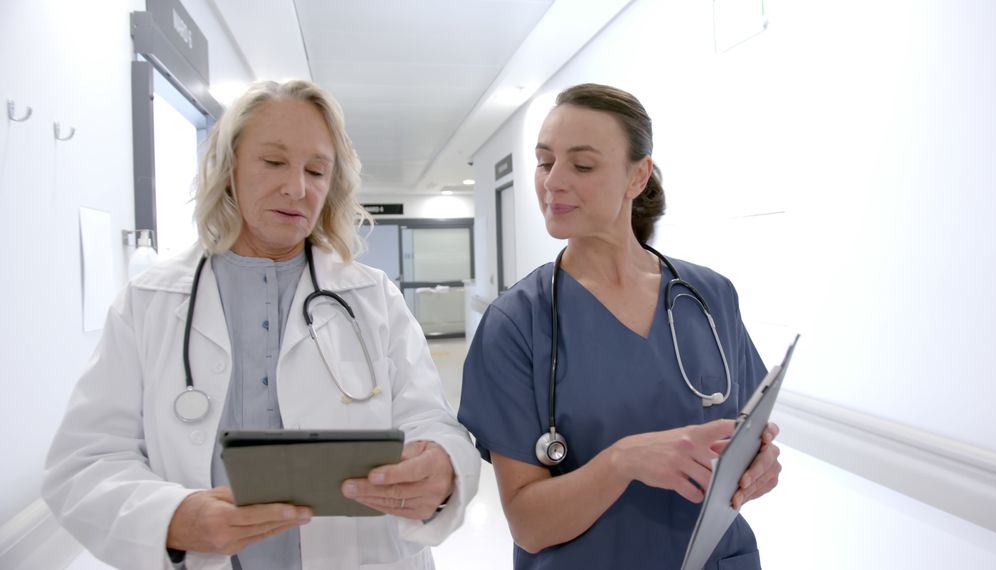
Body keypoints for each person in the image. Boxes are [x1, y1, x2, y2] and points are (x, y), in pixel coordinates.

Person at [43, 80, 480, 570]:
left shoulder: (373, 298)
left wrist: (442, 470)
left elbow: (431, 423)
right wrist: (173, 518)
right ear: (229, 169)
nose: (297, 187)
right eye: (274, 162)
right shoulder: (149, 303)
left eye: (317, 170)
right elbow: (84, 463)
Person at [457, 83, 781, 569]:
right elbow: (529, 524)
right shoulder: (516, 323)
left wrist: (759, 465)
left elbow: (742, 434)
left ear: (638, 176)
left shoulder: (709, 297)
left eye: (582, 165)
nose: (553, 181)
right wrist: (621, 461)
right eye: (545, 162)